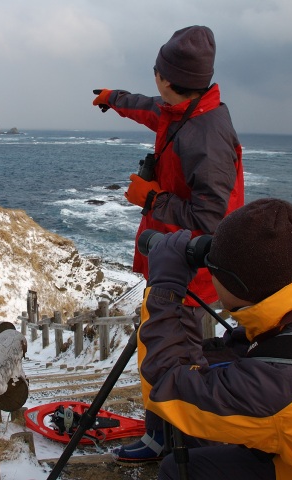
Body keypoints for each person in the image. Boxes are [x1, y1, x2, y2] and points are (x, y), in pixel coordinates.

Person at [139, 198, 292, 479]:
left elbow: (165, 383)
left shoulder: (272, 386)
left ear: (233, 285)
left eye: (213, 269)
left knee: (177, 470)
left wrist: (165, 287)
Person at [93, 25, 245, 464]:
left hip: (192, 274)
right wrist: (115, 98)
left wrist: (152, 198)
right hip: (172, 263)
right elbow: (150, 109)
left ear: (167, 77)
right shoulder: (186, 109)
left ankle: (176, 446)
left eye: (157, 70)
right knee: (163, 350)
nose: (154, 78)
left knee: (175, 359)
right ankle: (169, 435)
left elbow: (211, 220)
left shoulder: (205, 137)